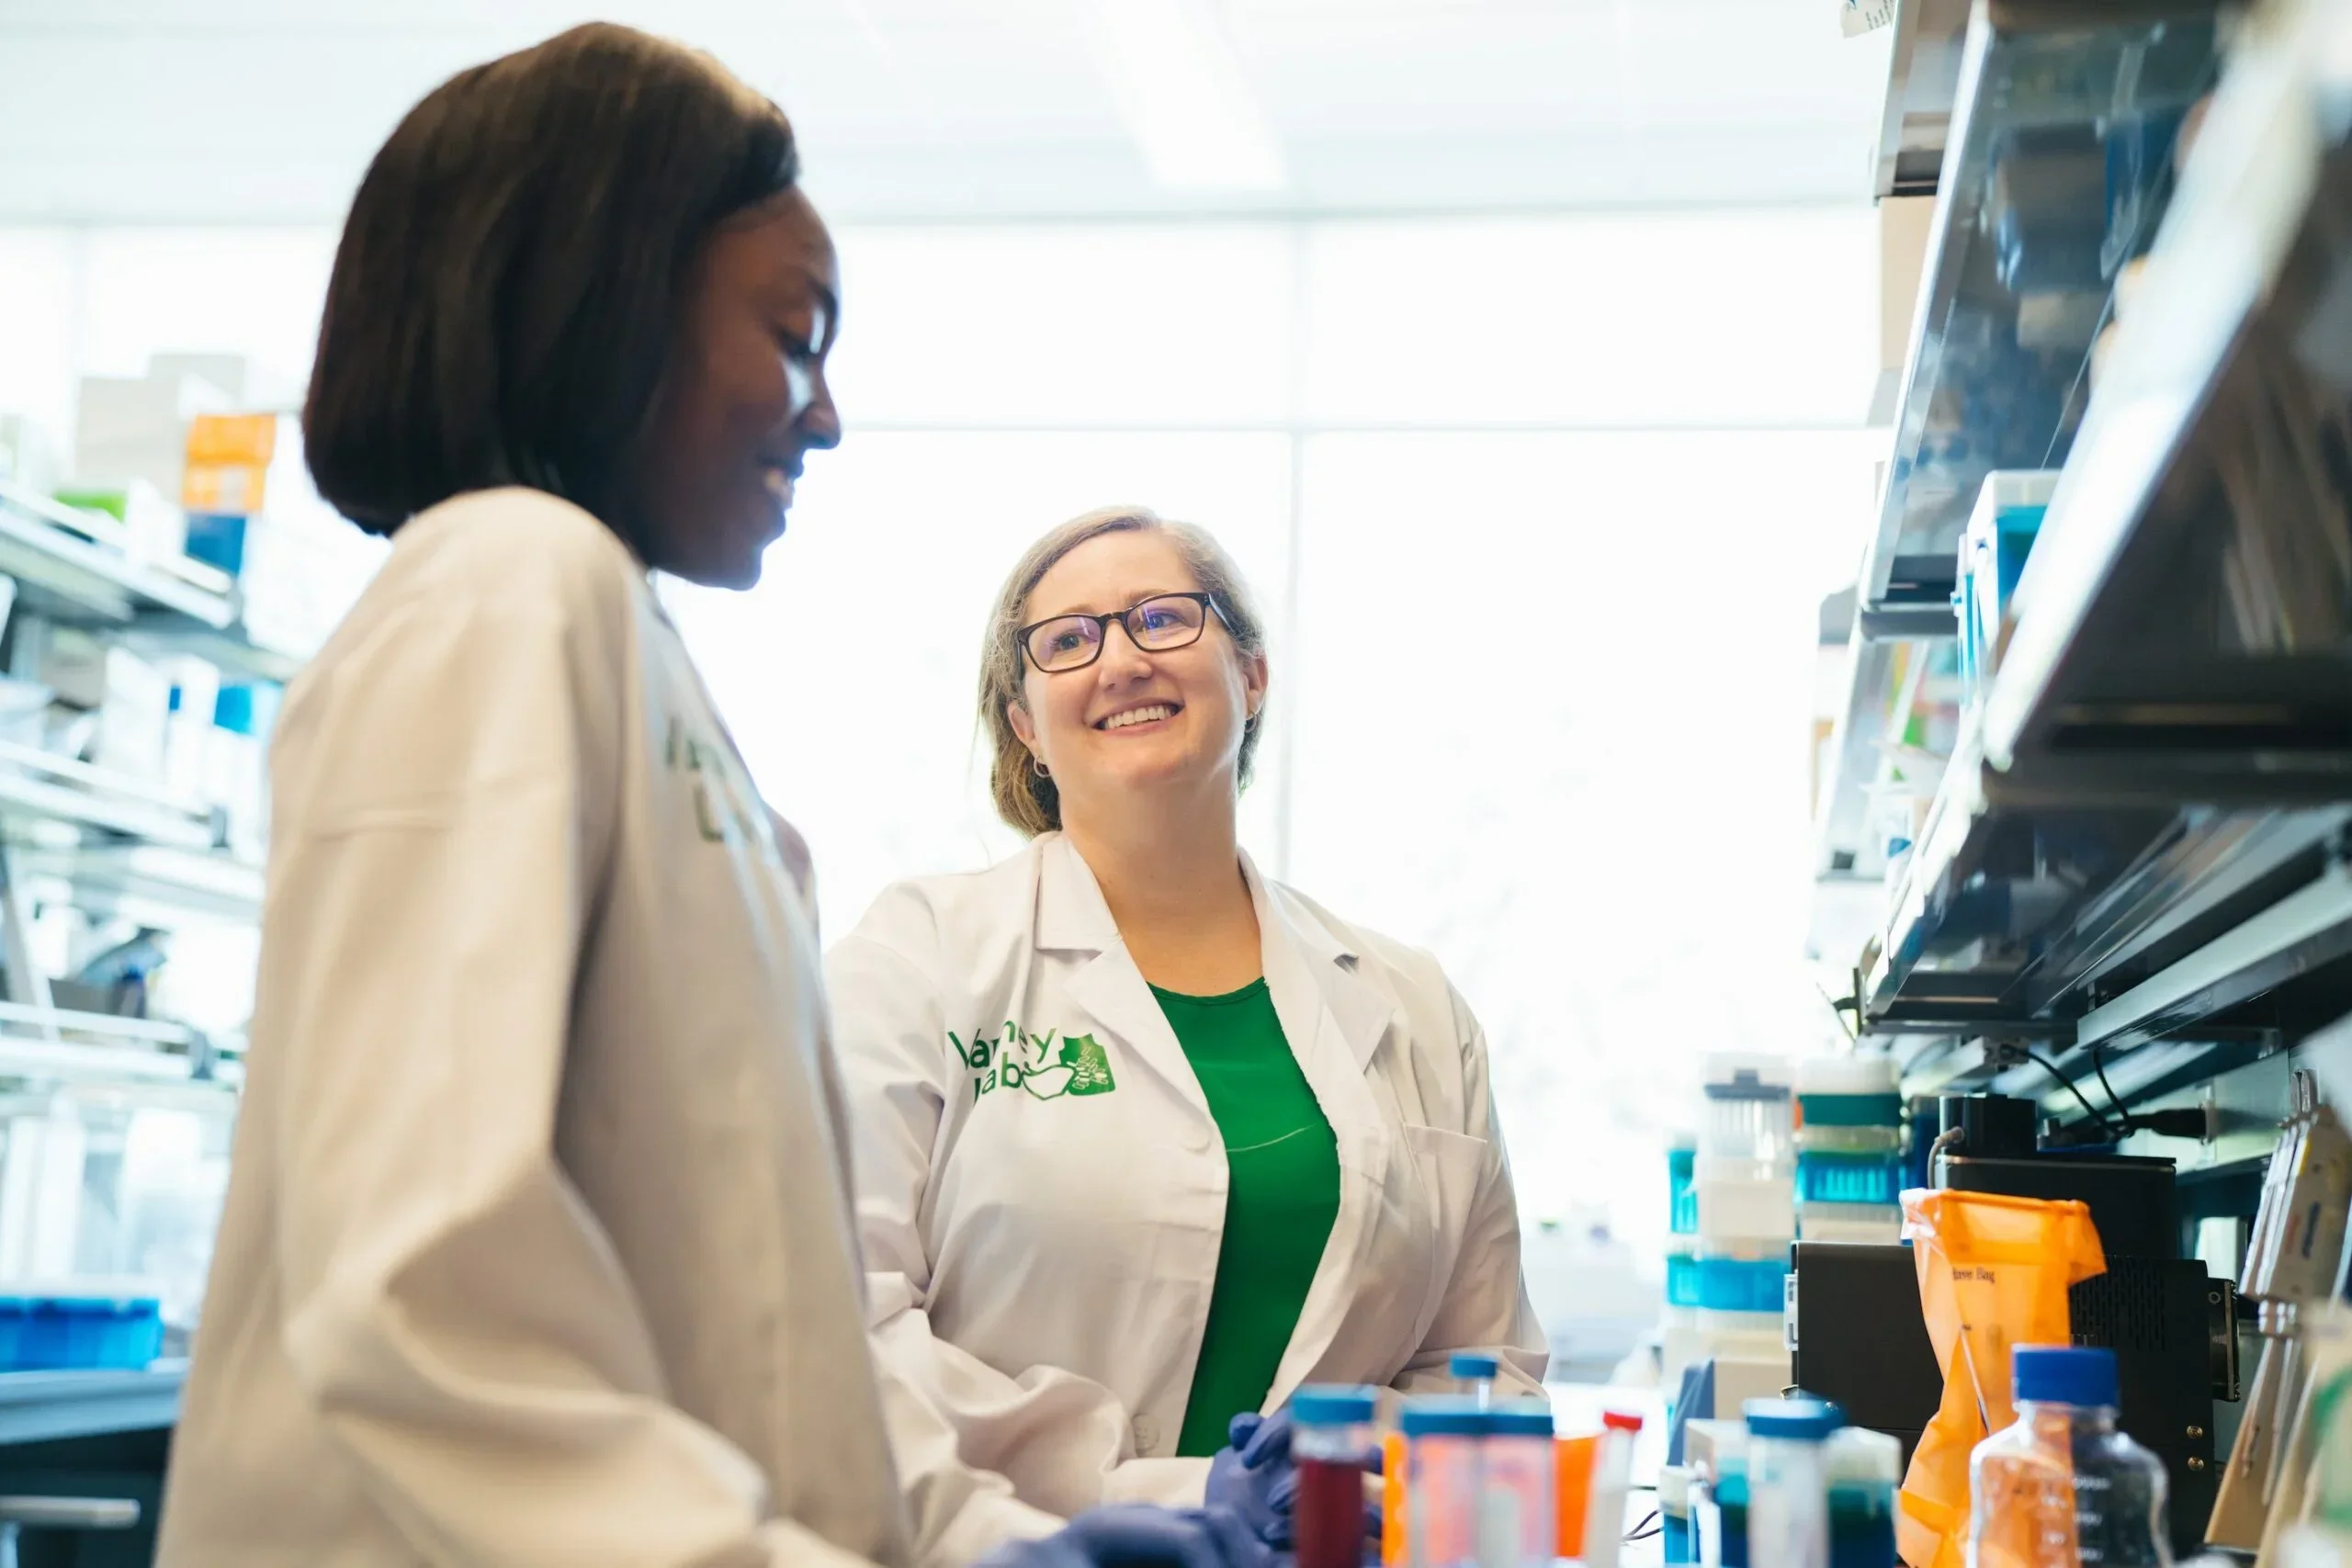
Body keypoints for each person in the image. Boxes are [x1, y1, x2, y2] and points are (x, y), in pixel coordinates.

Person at [155, 30, 1267, 1568]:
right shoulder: (501, 584)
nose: (822, 417)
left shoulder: (609, 641)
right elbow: (418, 1289)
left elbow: (763, 1336)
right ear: (599, 308)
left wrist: (980, 1548)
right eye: (793, 335)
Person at [828, 505, 1548, 1541]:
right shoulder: (920, 957)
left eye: (1162, 619)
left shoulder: (1414, 1005)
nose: (1118, 659)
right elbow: (841, 1327)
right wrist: (1150, 1495)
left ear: (1250, 677)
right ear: (1025, 724)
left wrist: (1338, 1484)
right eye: (1066, 641)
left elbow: (1487, 1370)